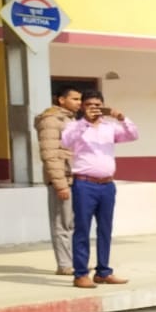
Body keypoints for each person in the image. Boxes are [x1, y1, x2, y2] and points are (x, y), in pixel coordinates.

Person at [60, 91, 137, 289]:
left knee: (105, 229)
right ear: (82, 107)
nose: (94, 108)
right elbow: (66, 141)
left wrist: (121, 117)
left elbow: (132, 135)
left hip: (107, 185)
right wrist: (85, 121)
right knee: (82, 229)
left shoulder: (109, 127)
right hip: (85, 184)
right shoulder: (75, 126)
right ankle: (81, 274)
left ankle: (103, 271)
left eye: (98, 104)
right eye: (89, 104)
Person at [33, 85, 82, 276]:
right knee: (62, 223)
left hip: (77, 177)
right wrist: (60, 183)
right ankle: (64, 264)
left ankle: (74, 261)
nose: (79, 103)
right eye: (75, 99)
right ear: (61, 100)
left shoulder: (72, 119)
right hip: (63, 179)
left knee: (75, 224)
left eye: (80, 99)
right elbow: (50, 154)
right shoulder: (51, 120)